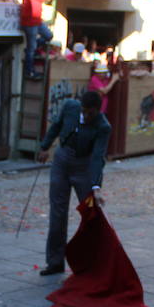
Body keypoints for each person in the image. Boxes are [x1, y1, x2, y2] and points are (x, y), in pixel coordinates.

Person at [36, 90, 112, 276]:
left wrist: (96, 186)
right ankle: (55, 262)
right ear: (80, 106)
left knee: (90, 215)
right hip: (62, 160)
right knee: (57, 213)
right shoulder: (70, 107)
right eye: (84, 112)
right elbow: (56, 126)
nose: (86, 116)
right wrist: (45, 147)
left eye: (90, 113)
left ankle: (92, 262)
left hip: (84, 165)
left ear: (98, 110)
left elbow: (97, 157)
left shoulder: (103, 126)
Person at [20, 0, 54, 79]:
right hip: (30, 23)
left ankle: (34, 47)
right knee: (31, 49)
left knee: (49, 36)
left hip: (36, 21)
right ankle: (29, 71)